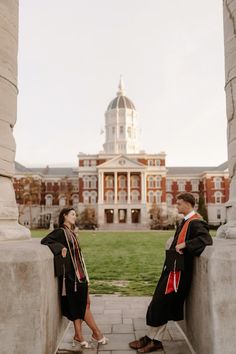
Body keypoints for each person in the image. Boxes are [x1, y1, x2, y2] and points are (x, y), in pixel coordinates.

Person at [129, 193, 213, 353]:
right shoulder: (186, 221)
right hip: (173, 269)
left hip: (180, 274)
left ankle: (156, 341)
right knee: (158, 303)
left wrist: (185, 245)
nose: (177, 206)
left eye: (179, 203)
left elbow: (206, 240)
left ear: (188, 204)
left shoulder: (195, 222)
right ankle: (150, 337)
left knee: (162, 304)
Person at [41, 207, 108, 349]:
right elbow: (45, 240)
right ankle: (97, 333)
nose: (75, 216)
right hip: (71, 277)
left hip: (79, 274)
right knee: (83, 305)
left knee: (80, 305)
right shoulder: (61, 232)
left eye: (75, 214)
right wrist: (60, 247)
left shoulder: (71, 232)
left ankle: (78, 336)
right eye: (72, 214)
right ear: (64, 216)